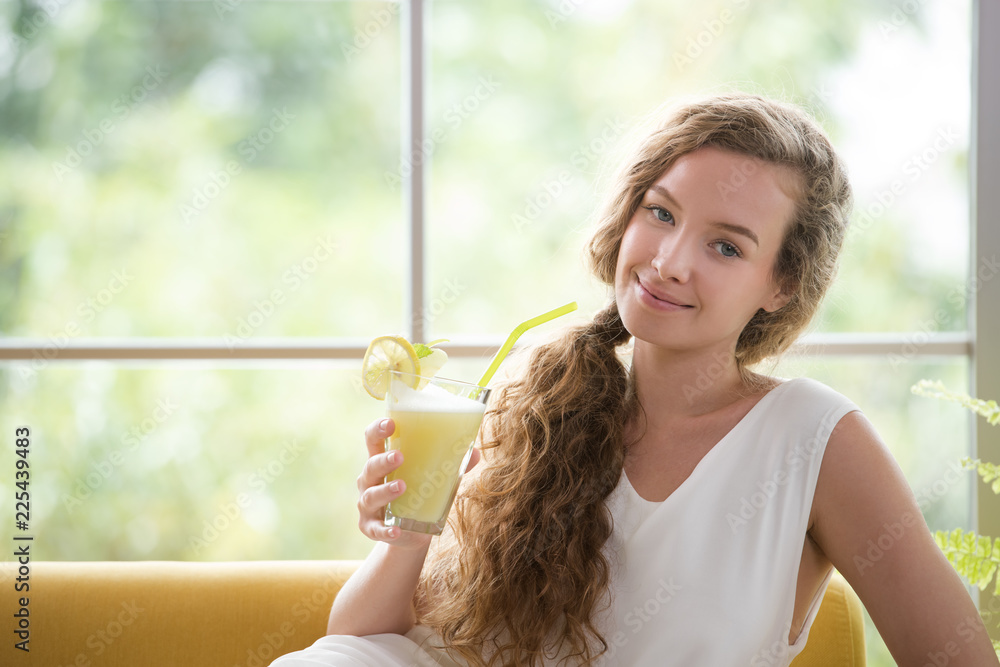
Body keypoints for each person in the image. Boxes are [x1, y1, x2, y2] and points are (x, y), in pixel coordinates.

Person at [271, 93, 999, 666]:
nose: (670, 260)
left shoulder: (813, 440)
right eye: (660, 212)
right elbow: (363, 637)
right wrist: (408, 531)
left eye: (724, 245)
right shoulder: (543, 402)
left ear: (781, 282)